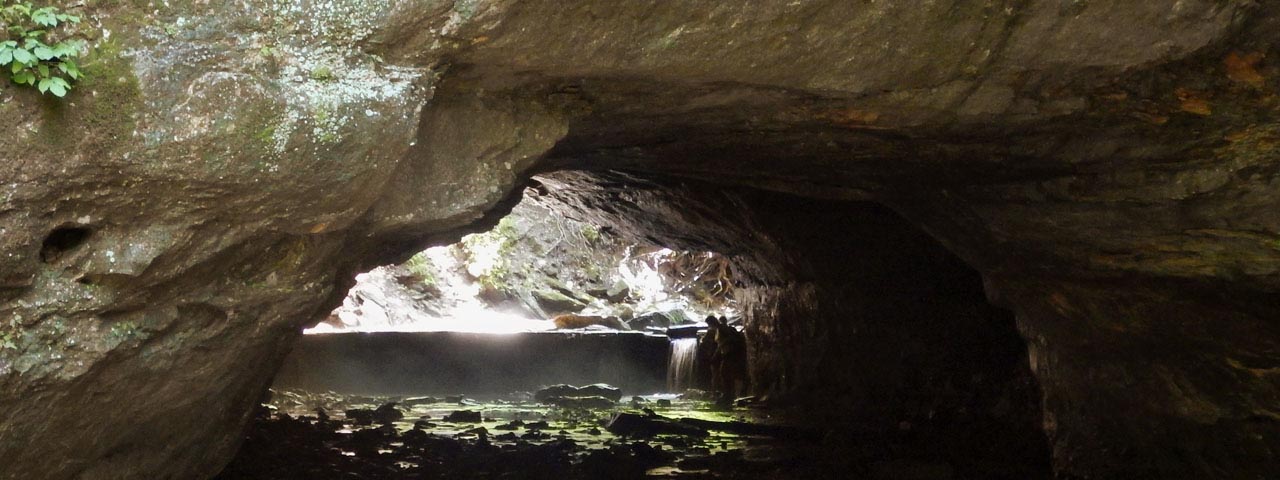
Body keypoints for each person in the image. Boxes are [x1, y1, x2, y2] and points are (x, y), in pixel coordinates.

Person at [712, 316, 748, 407]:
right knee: (726, 374)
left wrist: (722, 346)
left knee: (725, 374)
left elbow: (727, 340)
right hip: (728, 354)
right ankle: (729, 395)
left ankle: (728, 396)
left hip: (729, 354)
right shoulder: (722, 328)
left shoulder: (722, 329)